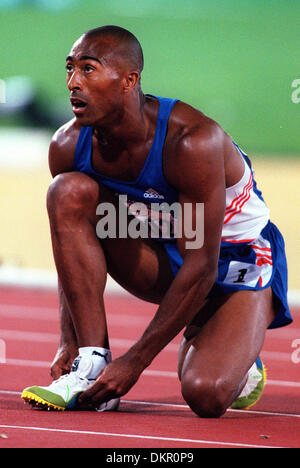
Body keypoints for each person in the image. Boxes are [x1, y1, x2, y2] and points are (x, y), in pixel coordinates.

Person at [21, 25, 292, 417]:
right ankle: (92, 363)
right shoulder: (68, 144)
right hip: (164, 253)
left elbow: (201, 267)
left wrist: (135, 362)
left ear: (129, 80)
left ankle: (231, 344)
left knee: (206, 394)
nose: (72, 83)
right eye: (69, 69)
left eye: (88, 69)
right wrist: (70, 340)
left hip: (233, 261)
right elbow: (72, 246)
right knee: (67, 192)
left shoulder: (192, 142)